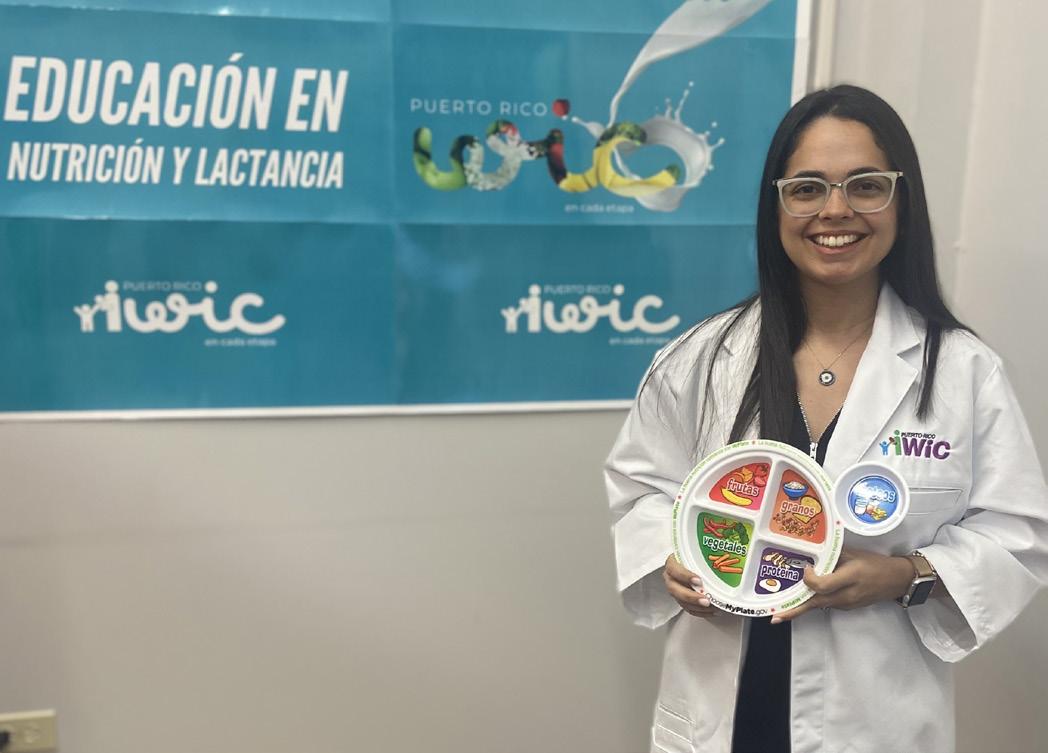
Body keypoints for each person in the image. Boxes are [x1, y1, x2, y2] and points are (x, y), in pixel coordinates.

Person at [604, 85, 1048, 753]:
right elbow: (641, 490)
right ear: (776, 205)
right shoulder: (702, 357)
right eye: (807, 188)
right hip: (722, 711)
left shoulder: (962, 370)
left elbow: (1018, 533)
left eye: (865, 186)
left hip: (873, 719)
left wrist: (906, 575)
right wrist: (670, 558)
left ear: (901, 201)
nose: (835, 210)